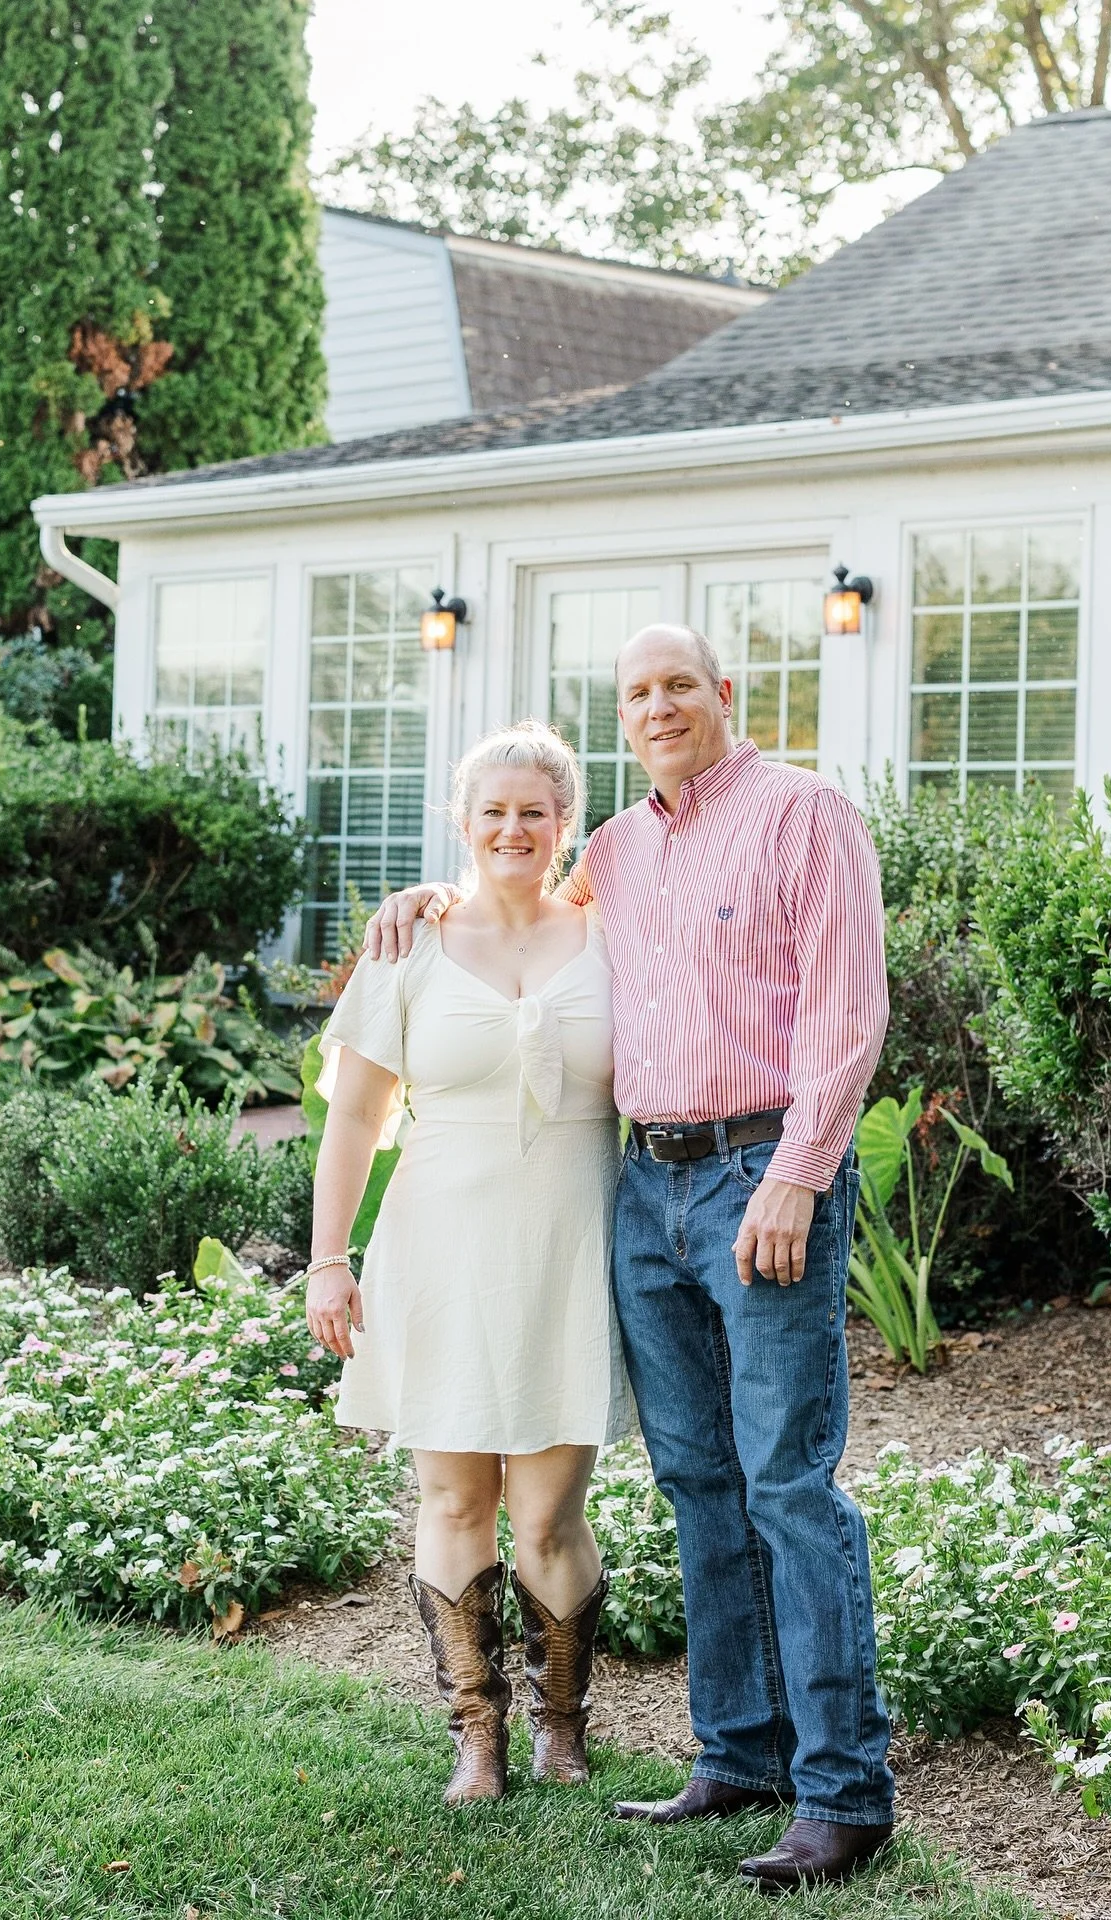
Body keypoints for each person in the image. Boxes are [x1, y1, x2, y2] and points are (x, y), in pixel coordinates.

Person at [364, 626, 895, 1891]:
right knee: (701, 1483)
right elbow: (521, 904)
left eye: (679, 686)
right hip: (644, 1188)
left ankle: (844, 1792)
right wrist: (429, 901)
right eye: (636, 694)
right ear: (623, 722)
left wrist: (797, 1176)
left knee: (789, 1484)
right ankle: (741, 1755)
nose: (659, 706)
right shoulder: (617, 851)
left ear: (727, 696)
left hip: (762, 1176)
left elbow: (849, 1013)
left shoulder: (805, 818)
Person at [306, 720, 635, 1807]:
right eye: (492, 810)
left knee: (546, 1514)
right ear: (461, 822)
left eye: (533, 811)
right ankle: (477, 1736)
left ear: (563, 825)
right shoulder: (407, 947)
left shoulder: (612, 939)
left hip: (568, 1255)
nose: (512, 828)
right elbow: (353, 1118)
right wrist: (327, 1262)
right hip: (438, 1253)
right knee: (452, 1502)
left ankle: (561, 1723)